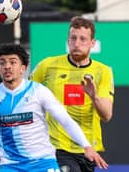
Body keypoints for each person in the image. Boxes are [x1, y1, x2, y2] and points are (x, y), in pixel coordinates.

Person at [0, 43, 108, 172]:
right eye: (2, 63)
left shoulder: (39, 92)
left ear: (23, 68)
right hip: (11, 166)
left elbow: (65, 120)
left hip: (43, 163)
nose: (7, 66)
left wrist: (86, 146)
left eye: (12, 62)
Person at [30, 16, 114, 172]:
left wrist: (94, 96)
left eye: (83, 39)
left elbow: (107, 115)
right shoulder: (47, 65)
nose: (77, 43)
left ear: (92, 43)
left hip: (88, 149)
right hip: (55, 147)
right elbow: (25, 95)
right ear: (67, 41)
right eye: (73, 38)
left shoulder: (103, 71)